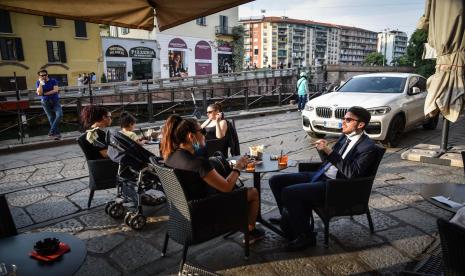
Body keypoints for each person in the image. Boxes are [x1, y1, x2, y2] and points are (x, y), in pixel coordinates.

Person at [269, 106, 380, 251]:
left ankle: (306, 236)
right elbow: (330, 162)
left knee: (289, 192)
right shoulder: (344, 137)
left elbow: (352, 173)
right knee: (276, 181)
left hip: (336, 186)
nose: (343, 122)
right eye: (343, 119)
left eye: (348, 120)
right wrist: (323, 150)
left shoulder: (368, 147)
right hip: (322, 175)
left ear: (360, 125)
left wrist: (329, 151)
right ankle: (288, 215)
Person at [161, 115, 265, 244]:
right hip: (204, 212)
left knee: (233, 187)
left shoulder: (169, 157)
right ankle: (250, 232)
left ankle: (242, 222)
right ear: (190, 136)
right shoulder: (199, 163)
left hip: (183, 211)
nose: (205, 135)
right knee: (253, 192)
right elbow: (226, 187)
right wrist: (238, 167)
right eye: (202, 131)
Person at [36, 69, 62, 140]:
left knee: (59, 115)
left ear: (47, 75)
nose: (44, 76)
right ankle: (56, 134)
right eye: (42, 75)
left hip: (55, 101)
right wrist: (41, 84)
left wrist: (45, 93)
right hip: (45, 102)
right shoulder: (38, 82)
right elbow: (39, 93)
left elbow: (56, 90)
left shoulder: (53, 81)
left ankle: (51, 132)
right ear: (39, 76)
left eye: (45, 75)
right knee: (51, 118)